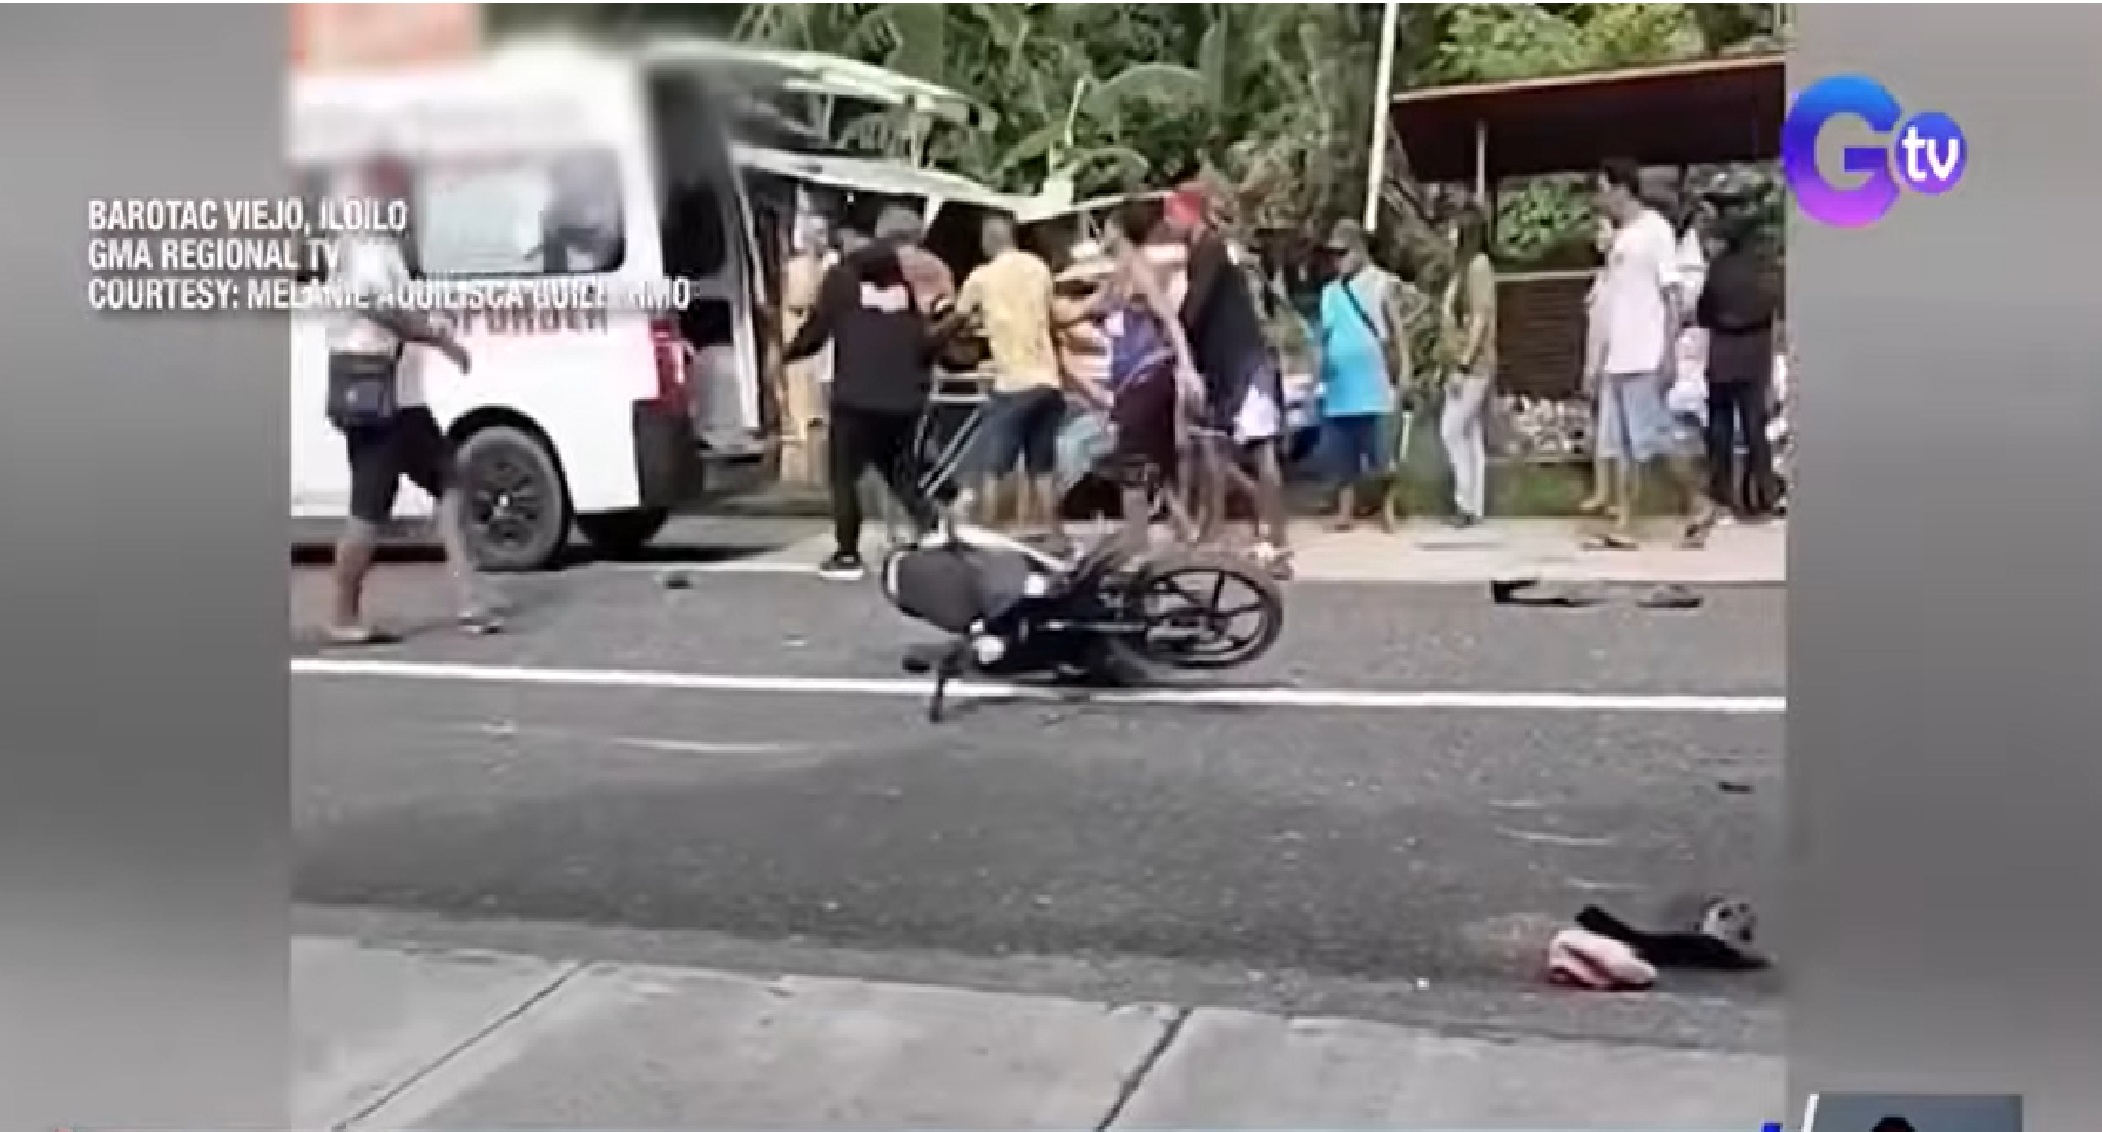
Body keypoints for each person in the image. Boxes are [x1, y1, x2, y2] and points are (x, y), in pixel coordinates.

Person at [323, 153, 493, 646]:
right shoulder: (361, 244)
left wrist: (432, 324)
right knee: (368, 511)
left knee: (450, 479)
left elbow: (396, 303)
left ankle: (471, 601)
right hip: (377, 398)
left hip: (403, 399)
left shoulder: (382, 245)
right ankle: (342, 614)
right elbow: (377, 306)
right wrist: (437, 339)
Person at [785, 206, 962, 581]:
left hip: (856, 393)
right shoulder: (909, 279)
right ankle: (930, 526)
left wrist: (789, 354)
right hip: (905, 393)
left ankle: (847, 553)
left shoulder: (842, 277)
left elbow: (818, 329)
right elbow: (929, 333)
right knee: (898, 469)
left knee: (844, 475)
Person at [1584, 158, 1715, 549]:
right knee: (1622, 449)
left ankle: (1699, 502)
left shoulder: (1655, 231)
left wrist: (1668, 354)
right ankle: (1624, 524)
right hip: (1619, 358)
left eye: (1602, 188)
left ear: (1619, 188)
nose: (1599, 198)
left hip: (1644, 354)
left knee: (1653, 443)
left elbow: (1672, 295)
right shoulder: (1623, 238)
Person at [1165, 185, 1292, 575]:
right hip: (1226, 365)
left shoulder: (1212, 249)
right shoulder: (1206, 252)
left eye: (1172, 216)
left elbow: (1194, 308)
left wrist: (1169, 330)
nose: (1168, 225)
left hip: (1243, 363)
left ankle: (1276, 543)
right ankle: (1215, 531)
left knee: (1260, 451)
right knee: (1215, 451)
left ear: (1190, 215)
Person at [954, 215, 1064, 541]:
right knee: (1042, 467)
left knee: (994, 467)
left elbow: (959, 320)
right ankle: (1054, 535)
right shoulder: (1039, 268)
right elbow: (1046, 314)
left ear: (988, 241)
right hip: (1048, 379)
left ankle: (988, 532)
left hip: (1013, 382)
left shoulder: (981, 277)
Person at [1314, 219, 1406, 532]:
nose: (1336, 260)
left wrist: (1404, 369)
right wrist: (1321, 367)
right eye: (1333, 255)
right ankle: (1345, 511)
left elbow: (1396, 331)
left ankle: (1388, 508)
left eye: (1343, 253)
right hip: (1341, 387)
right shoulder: (1329, 293)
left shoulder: (1381, 284)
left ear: (1359, 251)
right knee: (1343, 455)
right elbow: (1325, 337)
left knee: (1381, 454)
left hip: (1372, 383)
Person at [1696, 206, 1781, 521]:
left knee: (1720, 427)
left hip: (1722, 357)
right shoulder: (1763, 271)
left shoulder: (1718, 270)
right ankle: (1762, 493)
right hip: (1755, 357)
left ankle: (1722, 493)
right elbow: (1772, 309)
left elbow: (1703, 311)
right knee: (1754, 427)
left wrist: (1721, 321)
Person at [1437, 204, 1498, 528]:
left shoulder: (1478, 267)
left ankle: (1465, 501)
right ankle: (1474, 505)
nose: (1448, 234)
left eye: (1453, 228)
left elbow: (1480, 317)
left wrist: (1463, 363)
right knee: (1469, 433)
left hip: (1473, 365)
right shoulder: (1462, 269)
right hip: (1461, 362)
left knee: (1451, 430)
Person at [1577, 214, 1619, 516]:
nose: (1598, 236)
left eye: (1603, 229)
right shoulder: (1602, 276)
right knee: (1601, 428)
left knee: (1612, 431)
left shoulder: (1619, 277)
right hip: (1600, 357)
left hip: (1615, 358)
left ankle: (1614, 494)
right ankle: (1603, 491)